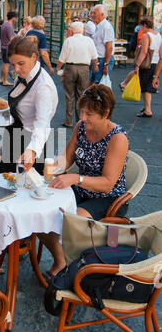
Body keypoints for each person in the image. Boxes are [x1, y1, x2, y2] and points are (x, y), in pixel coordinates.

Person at [39, 84, 129, 278]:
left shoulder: (117, 138)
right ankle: (61, 260)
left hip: (109, 197)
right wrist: (48, 168)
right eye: (82, 111)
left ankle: (77, 270)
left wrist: (76, 178)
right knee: (41, 212)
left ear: (105, 113)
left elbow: (108, 183)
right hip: (81, 189)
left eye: (89, 114)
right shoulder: (81, 127)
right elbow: (67, 159)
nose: (82, 118)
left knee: (74, 219)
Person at [0, 35, 58, 175]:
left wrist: (32, 150)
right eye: (13, 65)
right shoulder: (24, 74)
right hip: (16, 134)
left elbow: (43, 124)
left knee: (26, 188)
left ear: (33, 57)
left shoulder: (43, 87)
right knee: (6, 180)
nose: (16, 69)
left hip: (32, 141)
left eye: (20, 63)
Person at [57, 21, 98, 128]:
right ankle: (80, 120)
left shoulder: (69, 41)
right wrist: (95, 66)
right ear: (82, 30)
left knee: (69, 95)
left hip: (70, 68)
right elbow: (94, 56)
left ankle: (68, 120)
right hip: (84, 68)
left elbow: (62, 58)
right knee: (81, 95)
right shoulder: (89, 40)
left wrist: (58, 68)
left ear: (71, 30)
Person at [130, 16, 161, 118]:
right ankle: (146, 107)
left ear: (145, 25)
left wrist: (137, 65)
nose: (141, 29)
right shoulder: (158, 35)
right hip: (155, 63)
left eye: (141, 26)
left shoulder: (146, 36)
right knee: (148, 85)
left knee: (145, 88)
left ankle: (148, 110)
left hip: (147, 63)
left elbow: (144, 52)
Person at [89, 4, 115, 84]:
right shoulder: (98, 26)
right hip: (97, 59)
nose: (92, 15)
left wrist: (106, 64)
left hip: (102, 59)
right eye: (92, 13)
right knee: (92, 83)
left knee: (97, 84)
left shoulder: (106, 27)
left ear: (102, 15)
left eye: (94, 13)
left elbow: (109, 47)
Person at [0, 11, 17, 86]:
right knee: (7, 64)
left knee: (4, 63)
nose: (16, 19)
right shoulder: (9, 26)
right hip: (7, 47)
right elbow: (11, 39)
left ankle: (1, 79)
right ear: (13, 18)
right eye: (16, 17)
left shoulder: (4, 24)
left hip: (3, 46)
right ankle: (5, 81)